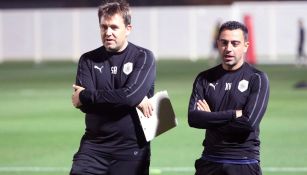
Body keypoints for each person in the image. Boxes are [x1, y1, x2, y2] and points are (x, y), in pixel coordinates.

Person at [70, 0, 156, 174]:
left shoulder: (143, 57)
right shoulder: (88, 59)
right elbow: (85, 107)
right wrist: (131, 98)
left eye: (114, 27)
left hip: (132, 149)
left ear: (128, 29)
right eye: (104, 27)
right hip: (93, 148)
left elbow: (128, 97)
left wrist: (87, 95)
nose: (108, 32)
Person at [188, 21, 270, 175]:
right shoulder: (204, 78)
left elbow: (248, 123)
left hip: (243, 162)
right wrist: (233, 114)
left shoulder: (257, 78)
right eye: (224, 43)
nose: (229, 48)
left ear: (245, 46)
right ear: (218, 44)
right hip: (209, 160)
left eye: (235, 43)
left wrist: (210, 118)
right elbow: (193, 118)